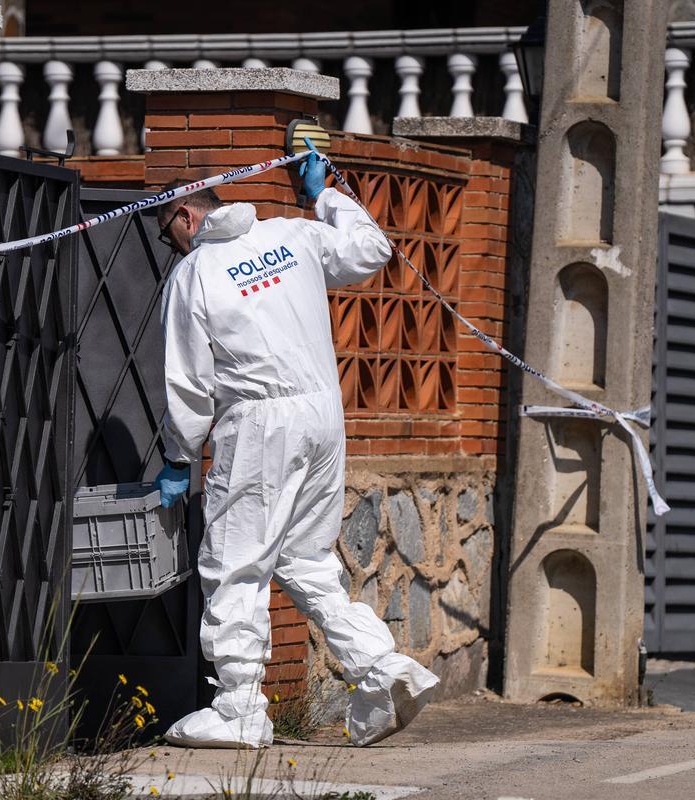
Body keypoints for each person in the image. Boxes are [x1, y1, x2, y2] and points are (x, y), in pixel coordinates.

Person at [153, 145, 439, 749]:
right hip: (322, 414)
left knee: (234, 561)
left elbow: (189, 382)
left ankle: (237, 708)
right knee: (302, 560)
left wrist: (180, 456)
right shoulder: (292, 235)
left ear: (185, 217)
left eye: (166, 234)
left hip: (260, 422)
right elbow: (371, 249)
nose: (170, 247)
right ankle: (382, 669)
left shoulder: (194, 274)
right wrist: (325, 194)